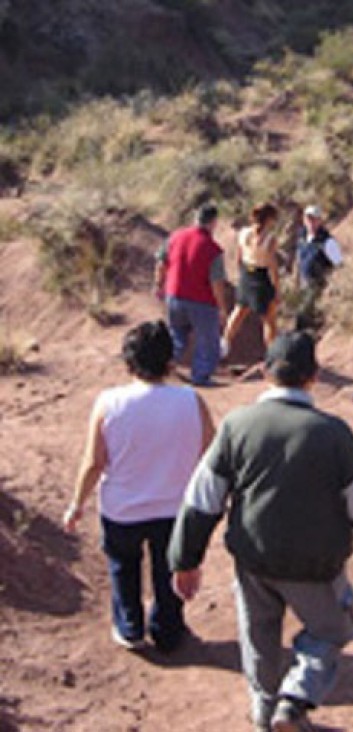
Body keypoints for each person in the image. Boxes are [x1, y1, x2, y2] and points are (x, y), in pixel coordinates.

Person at [168, 330, 353, 732]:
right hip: (315, 564)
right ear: (315, 375)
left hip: (253, 559)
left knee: (258, 636)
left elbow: (202, 498)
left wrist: (185, 559)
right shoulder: (333, 433)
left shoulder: (237, 426)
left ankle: (263, 713)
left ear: (264, 373)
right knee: (330, 630)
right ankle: (294, 700)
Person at [63, 320, 215, 652]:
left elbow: (94, 462)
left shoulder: (109, 402)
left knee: (123, 567)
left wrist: (77, 504)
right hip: (175, 508)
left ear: (128, 363)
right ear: (169, 362)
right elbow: (212, 455)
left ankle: (130, 626)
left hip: (122, 509)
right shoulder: (191, 401)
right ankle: (168, 630)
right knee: (169, 570)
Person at [154, 203, 229, 388]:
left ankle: (161, 369)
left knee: (176, 336)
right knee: (208, 340)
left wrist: (158, 284)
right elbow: (216, 282)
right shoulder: (213, 249)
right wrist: (222, 307)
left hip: (174, 295)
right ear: (213, 222)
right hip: (201, 301)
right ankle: (201, 377)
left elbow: (161, 262)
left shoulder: (175, 237)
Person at [222, 202, 280, 355]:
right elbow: (272, 266)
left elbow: (239, 257)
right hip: (261, 277)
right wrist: (276, 289)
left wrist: (241, 275)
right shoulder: (270, 239)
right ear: (269, 219)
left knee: (239, 311)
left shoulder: (243, 233)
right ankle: (272, 354)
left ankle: (225, 343)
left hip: (247, 275)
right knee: (269, 320)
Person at [294, 204, 343, 332]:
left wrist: (333, 289)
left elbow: (339, 266)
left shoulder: (327, 242)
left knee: (303, 314)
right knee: (304, 313)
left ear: (320, 221)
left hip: (319, 284)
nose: (311, 222)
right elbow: (299, 258)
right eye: (308, 219)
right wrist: (296, 280)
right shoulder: (302, 236)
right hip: (305, 282)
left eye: (314, 219)